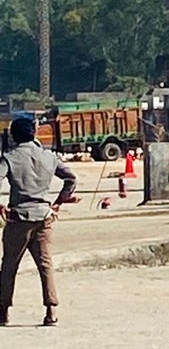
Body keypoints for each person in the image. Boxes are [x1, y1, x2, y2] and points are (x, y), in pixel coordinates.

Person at [0, 117, 77, 326]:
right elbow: (71, 178)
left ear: (14, 136)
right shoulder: (49, 157)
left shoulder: (10, 157)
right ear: (33, 134)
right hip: (44, 217)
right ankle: (51, 311)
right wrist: (59, 201)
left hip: (19, 219)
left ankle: (3, 312)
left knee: (9, 266)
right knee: (45, 265)